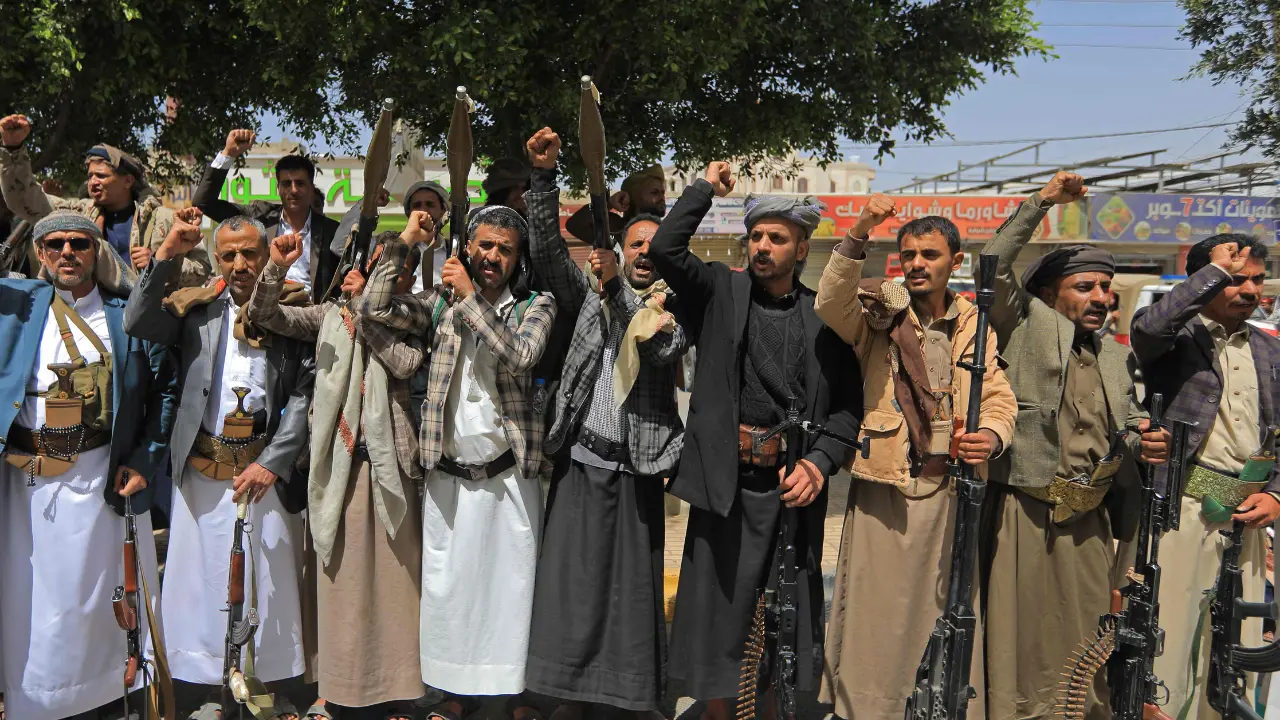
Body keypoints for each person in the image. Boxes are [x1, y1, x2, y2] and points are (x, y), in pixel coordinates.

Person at [650, 162, 862, 720]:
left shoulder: (824, 321)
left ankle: (772, 710)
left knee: (785, 615)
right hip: (727, 486)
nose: (762, 246)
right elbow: (668, 249)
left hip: (792, 491)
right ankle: (720, 713)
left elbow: (846, 411)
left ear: (802, 246)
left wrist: (819, 462)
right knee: (719, 612)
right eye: (756, 236)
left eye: (777, 238)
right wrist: (702, 190)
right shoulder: (720, 289)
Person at [813, 196, 1018, 718]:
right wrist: (860, 229)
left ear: (955, 260)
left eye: (929, 254)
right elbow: (830, 300)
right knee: (873, 616)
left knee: (945, 610)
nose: (917, 264)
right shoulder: (880, 314)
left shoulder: (975, 321)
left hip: (951, 491)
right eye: (908, 255)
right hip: (888, 487)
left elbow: (995, 393)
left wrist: (991, 435)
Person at [979, 171, 1170, 720]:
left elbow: (1127, 420)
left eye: (1106, 290)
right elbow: (990, 265)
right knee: (1019, 630)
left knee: (1086, 628)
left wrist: (1143, 440)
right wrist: (1041, 202)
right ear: (1048, 293)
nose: (1102, 299)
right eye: (1086, 287)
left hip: (1090, 520)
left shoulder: (1112, 353)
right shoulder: (1024, 322)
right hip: (1025, 507)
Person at [358, 204, 556, 720]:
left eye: (504, 250)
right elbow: (374, 306)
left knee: (508, 589)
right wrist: (407, 241)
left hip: (509, 476)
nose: (492, 257)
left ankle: (504, 696)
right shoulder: (437, 303)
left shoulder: (535, 304)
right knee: (447, 590)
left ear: (517, 259)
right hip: (447, 476)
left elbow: (522, 356)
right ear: (467, 247)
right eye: (485, 245)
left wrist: (470, 299)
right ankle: (450, 694)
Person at [521, 128, 687, 717]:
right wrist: (543, 179)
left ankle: (627, 696)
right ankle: (560, 695)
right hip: (580, 462)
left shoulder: (673, 311)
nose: (645, 252)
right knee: (570, 588)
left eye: (654, 245)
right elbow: (543, 254)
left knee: (629, 595)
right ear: (620, 247)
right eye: (635, 243)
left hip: (638, 470)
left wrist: (616, 281)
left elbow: (661, 351)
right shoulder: (589, 296)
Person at [125, 210, 316, 714]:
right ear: (215, 259)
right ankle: (211, 681)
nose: (239, 264)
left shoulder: (293, 311)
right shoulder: (197, 309)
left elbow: (302, 394)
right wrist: (166, 254)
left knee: (268, 576)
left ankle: (266, 680)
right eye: (227, 255)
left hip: (264, 472)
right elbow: (138, 320)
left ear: (266, 254)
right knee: (201, 576)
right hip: (202, 468)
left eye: (249, 253)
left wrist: (273, 462)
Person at [0, 210, 176, 719]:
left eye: (78, 242)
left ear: (96, 249)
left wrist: (145, 460)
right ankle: (35, 703)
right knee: (32, 602)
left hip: (103, 475)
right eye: (54, 244)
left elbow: (165, 391)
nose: (67, 253)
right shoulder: (18, 308)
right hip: (28, 478)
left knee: (102, 606)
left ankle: (107, 700)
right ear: (39, 254)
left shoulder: (128, 317)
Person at [247, 227, 428, 720]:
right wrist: (276, 269)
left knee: (397, 585)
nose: (399, 276)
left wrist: (366, 307)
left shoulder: (416, 311)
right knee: (337, 583)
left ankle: (396, 692)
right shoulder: (331, 314)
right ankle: (337, 687)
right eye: (388, 266)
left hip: (393, 470)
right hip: (337, 468)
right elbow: (265, 315)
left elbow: (403, 361)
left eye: (404, 267)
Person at [1130, 232, 1280, 717]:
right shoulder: (1173, 340)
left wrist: (1277, 496)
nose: (1250, 290)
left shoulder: (1269, 347)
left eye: (1256, 279)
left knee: (1238, 653)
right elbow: (1150, 328)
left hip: (1250, 515)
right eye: (1236, 279)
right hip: (1183, 508)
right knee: (1169, 647)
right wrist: (1210, 273)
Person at [0, 113, 211, 286]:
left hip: (147, 321)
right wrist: (13, 150)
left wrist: (160, 265)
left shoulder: (163, 219)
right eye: (90, 176)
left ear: (127, 181)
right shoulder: (78, 215)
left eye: (101, 176)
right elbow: (26, 200)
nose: (93, 182)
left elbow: (202, 267)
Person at [192, 129, 341, 302]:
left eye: (300, 183)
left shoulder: (331, 231)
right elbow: (203, 202)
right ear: (278, 188)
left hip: (310, 318)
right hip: (261, 313)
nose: (293, 190)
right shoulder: (260, 217)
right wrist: (228, 154)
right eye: (286, 184)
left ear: (311, 187)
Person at [564, 164, 667, 244]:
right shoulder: (617, 229)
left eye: (662, 192)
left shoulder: (668, 230)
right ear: (634, 197)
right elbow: (575, 224)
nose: (662, 197)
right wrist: (608, 203)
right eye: (655, 192)